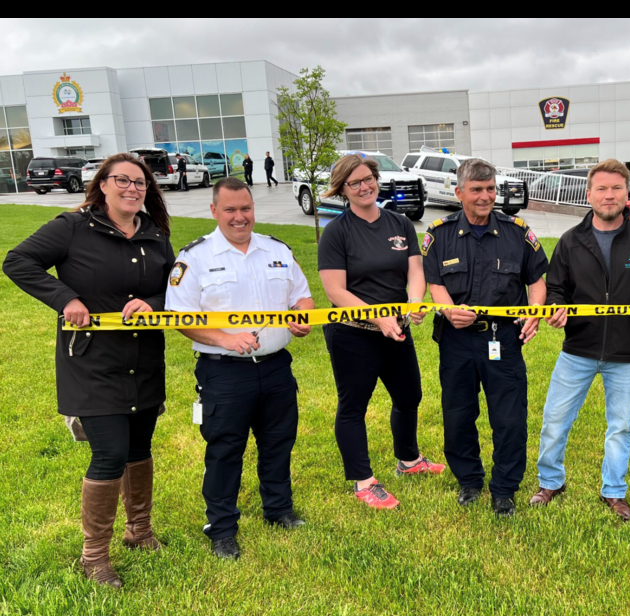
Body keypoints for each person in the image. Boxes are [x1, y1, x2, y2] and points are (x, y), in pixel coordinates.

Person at [3, 153, 175, 589]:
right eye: (123, 180)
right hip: (93, 360)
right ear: (103, 185)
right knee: (110, 452)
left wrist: (152, 306)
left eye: (140, 183)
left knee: (139, 446)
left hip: (144, 358)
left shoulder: (155, 235)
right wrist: (65, 299)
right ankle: (94, 556)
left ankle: (140, 531)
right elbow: (18, 261)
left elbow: (173, 291)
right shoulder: (74, 226)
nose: (133, 189)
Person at [165, 178, 315, 560]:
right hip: (224, 372)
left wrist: (301, 316)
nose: (239, 217)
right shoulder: (194, 258)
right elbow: (179, 317)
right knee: (225, 450)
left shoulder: (276, 249)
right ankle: (222, 528)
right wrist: (224, 338)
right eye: (230, 210)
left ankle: (278, 510)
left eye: (245, 208)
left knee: (279, 442)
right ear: (214, 211)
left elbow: (302, 295)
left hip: (277, 365)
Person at [533, 159, 630, 521]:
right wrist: (557, 307)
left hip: (626, 354)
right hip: (578, 350)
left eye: (616, 188)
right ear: (589, 194)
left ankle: (614, 491)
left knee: (620, 426)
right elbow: (556, 288)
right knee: (555, 419)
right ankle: (550, 481)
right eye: (601, 188)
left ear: (627, 193)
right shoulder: (571, 241)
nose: (609, 195)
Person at [424, 158, 549, 517]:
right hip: (457, 341)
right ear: (459, 192)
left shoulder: (516, 232)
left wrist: (533, 312)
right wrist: (448, 310)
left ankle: (504, 488)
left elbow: (537, 282)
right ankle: (469, 481)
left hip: (504, 339)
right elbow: (435, 283)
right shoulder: (440, 233)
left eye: (490, 189)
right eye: (476, 190)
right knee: (458, 415)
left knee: (509, 418)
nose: (485, 197)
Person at [318, 155, 445, 511]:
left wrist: (415, 301)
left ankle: (408, 460)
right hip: (354, 332)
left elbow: (415, 270)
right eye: (355, 182)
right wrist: (378, 318)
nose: (365, 186)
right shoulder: (336, 232)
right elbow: (335, 292)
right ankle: (363, 481)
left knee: (409, 397)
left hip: (396, 330)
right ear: (342, 189)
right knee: (353, 406)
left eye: (369, 178)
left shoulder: (399, 223)